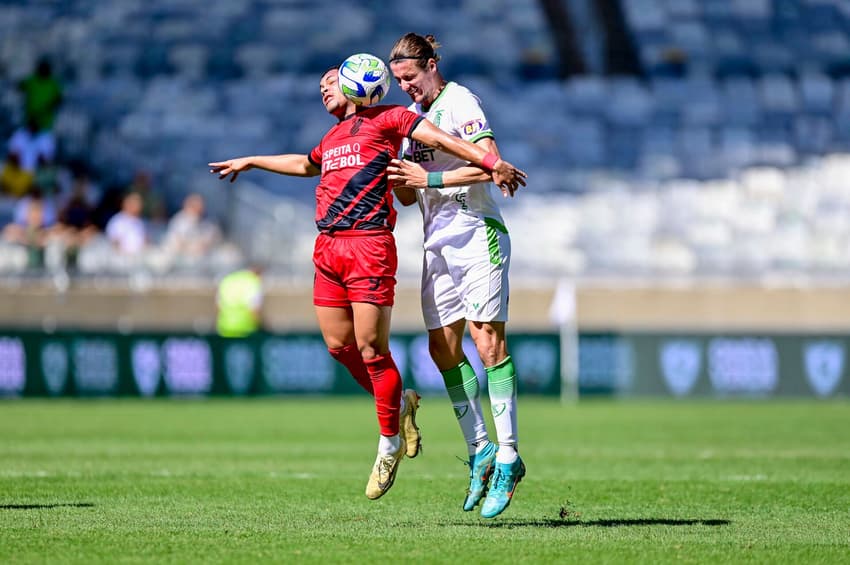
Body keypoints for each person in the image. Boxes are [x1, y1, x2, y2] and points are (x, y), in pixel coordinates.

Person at [209, 61, 526, 500]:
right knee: (339, 346)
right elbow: (304, 165)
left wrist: (493, 162)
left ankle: (390, 444)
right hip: (328, 247)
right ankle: (401, 406)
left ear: (356, 84)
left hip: (369, 244)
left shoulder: (391, 118)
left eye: (329, 81)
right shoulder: (333, 136)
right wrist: (252, 161)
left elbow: (440, 139)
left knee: (372, 348)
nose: (322, 89)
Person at [387, 33, 526, 518]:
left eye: (410, 78)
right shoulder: (411, 126)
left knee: (486, 341)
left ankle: (509, 456)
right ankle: (480, 448)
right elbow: (408, 197)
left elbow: (488, 162)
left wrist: (429, 178)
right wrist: (395, 172)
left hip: (475, 232)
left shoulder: (459, 101)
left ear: (430, 65)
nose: (406, 89)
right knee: (441, 347)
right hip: (436, 241)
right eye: (399, 83)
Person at [216, 264, 264, 338]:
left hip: (225, 327)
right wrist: (261, 326)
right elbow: (254, 309)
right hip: (246, 329)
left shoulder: (227, 280)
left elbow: (218, 306)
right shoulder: (253, 282)